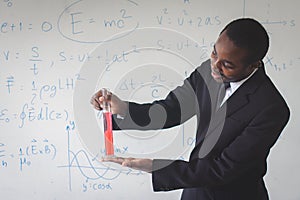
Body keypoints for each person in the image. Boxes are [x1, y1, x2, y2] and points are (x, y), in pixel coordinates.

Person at [90, 18, 290, 200]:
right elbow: (169, 110)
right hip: (195, 192)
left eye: (227, 64)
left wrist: (155, 167)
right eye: (214, 53)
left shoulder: (271, 108)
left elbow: (222, 169)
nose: (214, 65)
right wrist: (122, 108)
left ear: (253, 66)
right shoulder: (208, 72)